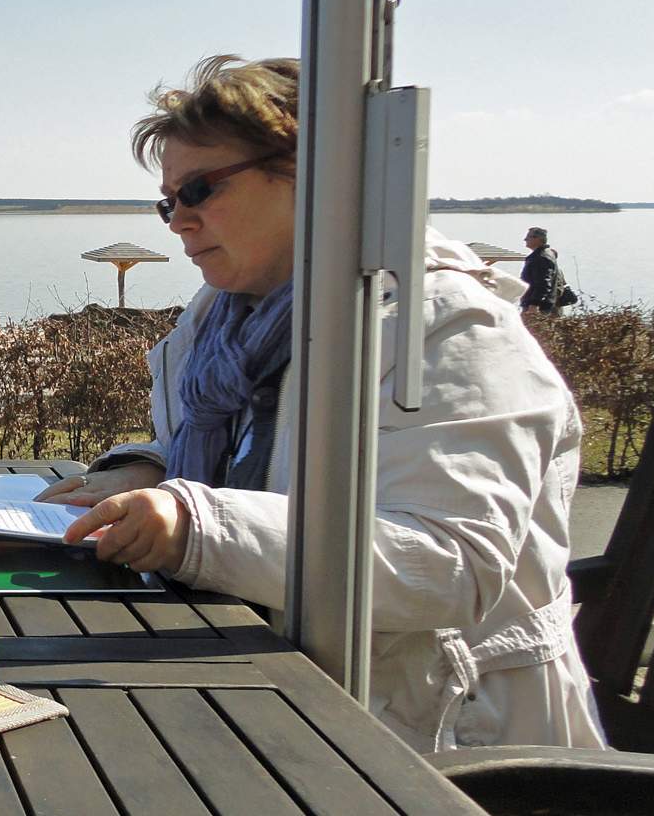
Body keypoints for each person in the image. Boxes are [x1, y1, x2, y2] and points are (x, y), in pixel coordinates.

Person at [35, 55, 601, 753]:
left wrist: (195, 526)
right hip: (260, 688)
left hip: (438, 744)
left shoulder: (447, 328)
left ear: (310, 170)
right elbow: (251, 462)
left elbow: (450, 565)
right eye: (168, 201)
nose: (178, 221)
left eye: (200, 190)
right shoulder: (222, 319)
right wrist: (146, 470)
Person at [519, 227, 563, 315]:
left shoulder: (540, 258)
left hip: (539, 307)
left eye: (529, 237)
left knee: (531, 328)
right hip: (543, 304)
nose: (525, 239)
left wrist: (534, 304)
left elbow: (543, 283)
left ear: (538, 239)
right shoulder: (544, 254)